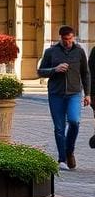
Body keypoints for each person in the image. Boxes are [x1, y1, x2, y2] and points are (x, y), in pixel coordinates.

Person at [38, 25, 90, 170]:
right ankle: (62, 158)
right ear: (60, 38)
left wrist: (88, 94)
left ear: (73, 37)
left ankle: (69, 151)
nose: (68, 42)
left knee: (74, 122)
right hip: (56, 94)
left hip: (74, 93)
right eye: (65, 39)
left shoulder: (79, 51)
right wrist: (54, 69)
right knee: (59, 128)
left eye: (70, 39)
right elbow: (40, 72)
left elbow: (85, 73)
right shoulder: (51, 52)